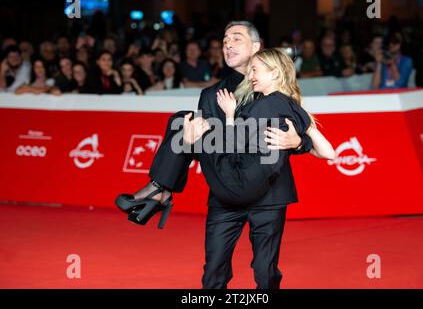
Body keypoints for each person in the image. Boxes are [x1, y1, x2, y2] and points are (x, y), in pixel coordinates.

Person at [116, 22, 332, 289]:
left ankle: (160, 190)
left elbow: (297, 131)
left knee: (265, 273)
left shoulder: (272, 86)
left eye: (236, 38)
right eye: (225, 39)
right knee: (213, 273)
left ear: (256, 46)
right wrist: (188, 138)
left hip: (268, 192)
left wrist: (298, 142)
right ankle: (160, 187)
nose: (227, 44)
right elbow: (210, 143)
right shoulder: (211, 95)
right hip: (226, 188)